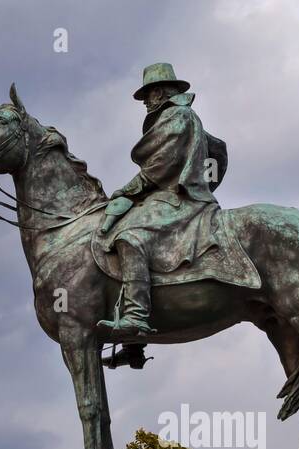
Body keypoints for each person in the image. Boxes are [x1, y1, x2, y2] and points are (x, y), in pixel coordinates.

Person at [97, 63, 228, 337]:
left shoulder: (178, 115)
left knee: (128, 237)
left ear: (162, 92)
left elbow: (161, 166)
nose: (145, 101)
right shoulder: (175, 116)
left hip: (179, 198)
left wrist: (126, 191)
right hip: (165, 195)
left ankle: (136, 314)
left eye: (149, 94)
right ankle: (132, 342)